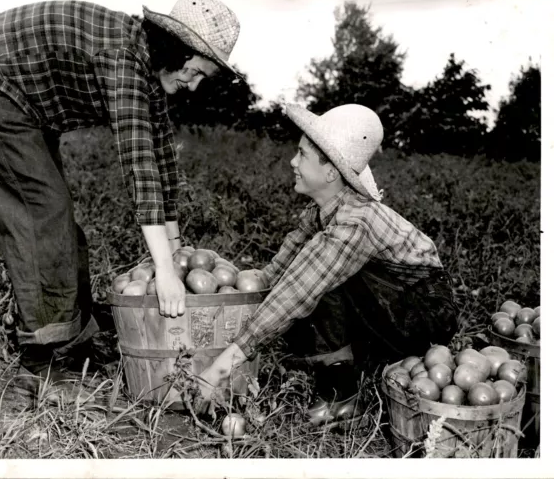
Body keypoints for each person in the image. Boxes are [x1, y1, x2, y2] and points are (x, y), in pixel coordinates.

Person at [0, 0, 241, 399]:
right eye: (195, 71)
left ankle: (73, 341)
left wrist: (174, 248)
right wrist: (166, 272)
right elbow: (139, 165)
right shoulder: (123, 59)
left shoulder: (149, 72)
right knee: (42, 213)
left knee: (56, 219)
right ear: (176, 49)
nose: (193, 85)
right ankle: (39, 365)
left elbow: (162, 158)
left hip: (19, 98)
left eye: (202, 78)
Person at [187, 103, 457, 424]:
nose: (292, 162)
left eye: (301, 154)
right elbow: (275, 274)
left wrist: (219, 368)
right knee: (304, 277)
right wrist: (218, 285)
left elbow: (296, 291)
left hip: (423, 313)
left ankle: (343, 393)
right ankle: (357, 362)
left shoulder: (354, 222)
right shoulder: (318, 211)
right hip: (386, 303)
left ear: (330, 172)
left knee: (315, 286)